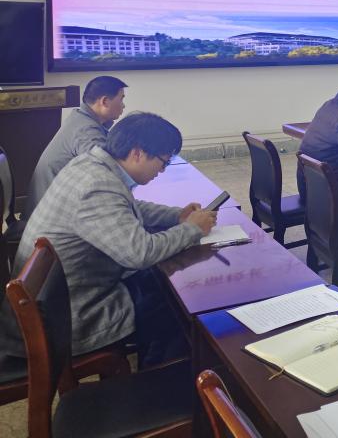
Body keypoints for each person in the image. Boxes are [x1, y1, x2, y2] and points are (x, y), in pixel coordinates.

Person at [1, 113, 215, 363]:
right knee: (179, 308)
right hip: (71, 317)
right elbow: (140, 253)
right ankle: (159, 378)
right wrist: (192, 229)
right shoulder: (97, 186)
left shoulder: (92, 164)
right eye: (163, 162)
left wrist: (176, 216)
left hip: (66, 297)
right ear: (138, 153)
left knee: (162, 286)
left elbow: (126, 208)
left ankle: (157, 364)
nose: (162, 171)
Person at [26, 75, 128, 216]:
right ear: (105, 101)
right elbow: (106, 174)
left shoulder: (80, 118)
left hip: (49, 206)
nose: (123, 105)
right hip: (51, 215)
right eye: (121, 99)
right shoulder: (86, 130)